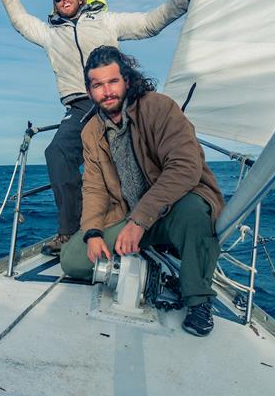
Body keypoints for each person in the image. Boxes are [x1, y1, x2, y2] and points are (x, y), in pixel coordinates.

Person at [0, 0, 196, 255]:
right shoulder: (50, 34)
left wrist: (184, 1)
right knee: (57, 153)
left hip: (119, 99)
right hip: (80, 105)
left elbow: (150, 23)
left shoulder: (106, 22)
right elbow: (20, 20)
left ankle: (164, 223)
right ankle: (70, 232)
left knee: (146, 152)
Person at [59, 45, 225, 337]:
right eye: (98, 85)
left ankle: (198, 300)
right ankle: (148, 262)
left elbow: (186, 167)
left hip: (175, 206)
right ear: (89, 90)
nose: (106, 91)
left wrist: (139, 222)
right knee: (72, 260)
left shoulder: (158, 107)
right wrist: (93, 233)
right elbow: (95, 187)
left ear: (127, 79)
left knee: (196, 215)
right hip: (128, 213)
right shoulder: (91, 131)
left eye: (113, 81)